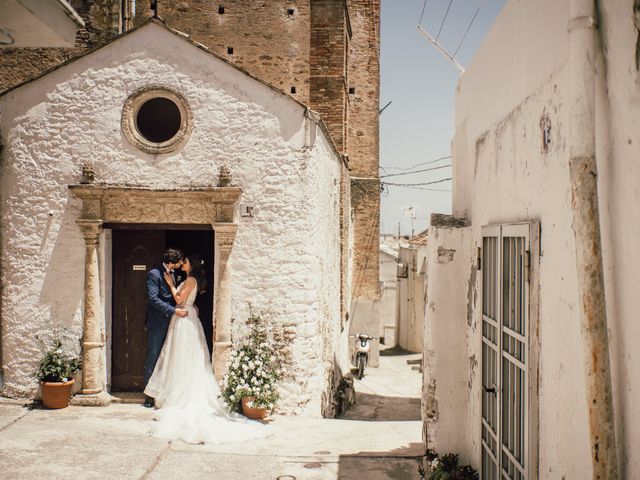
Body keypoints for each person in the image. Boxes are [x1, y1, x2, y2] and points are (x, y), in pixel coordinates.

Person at [144, 253, 268, 444]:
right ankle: (172, 389)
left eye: (184, 262)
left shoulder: (191, 279)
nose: (181, 264)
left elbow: (178, 300)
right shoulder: (189, 279)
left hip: (184, 319)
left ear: (190, 265)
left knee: (184, 356)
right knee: (181, 357)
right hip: (184, 318)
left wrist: (169, 283)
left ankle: (180, 393)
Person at [143, 248, 188, 408]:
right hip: (158, 322)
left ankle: (165, 391)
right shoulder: (154, 274)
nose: (180, 264)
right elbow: (153, 299)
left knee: (168, 357)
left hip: (173, 322)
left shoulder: (175, 274)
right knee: (153, 356)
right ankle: (149, 396)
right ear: (171, 263)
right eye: (178, 262)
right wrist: (173, 310)